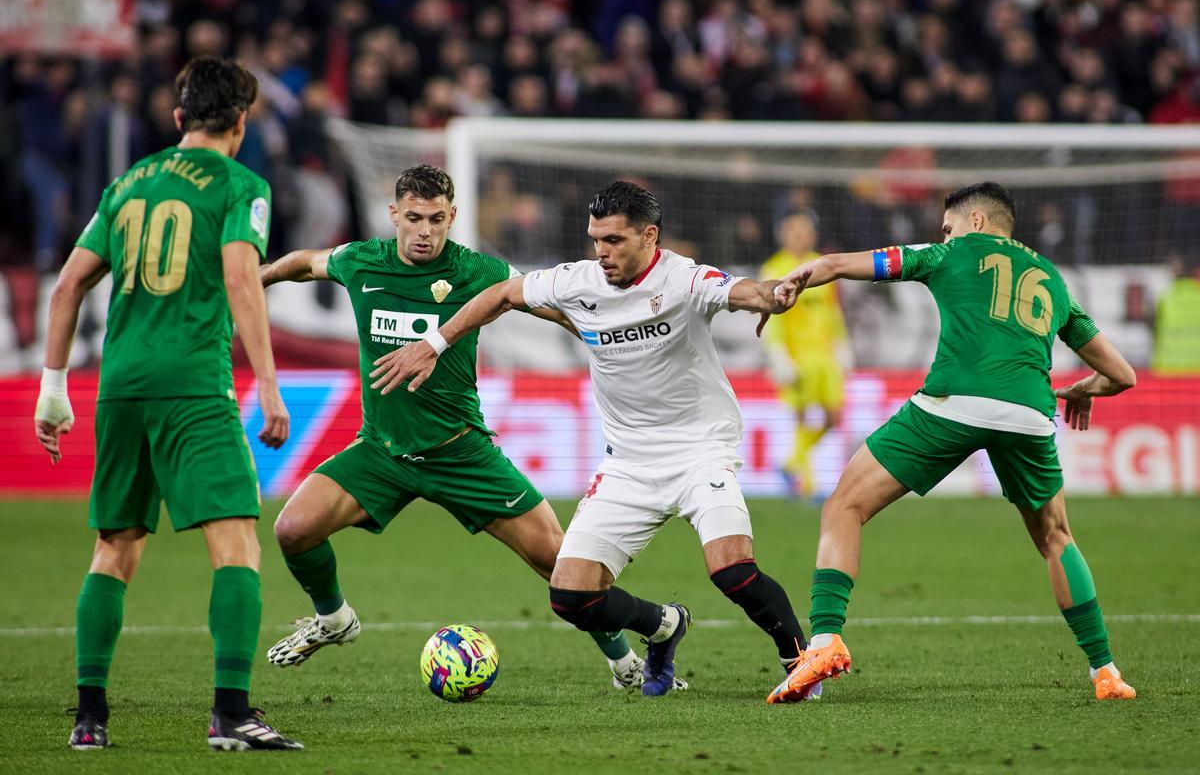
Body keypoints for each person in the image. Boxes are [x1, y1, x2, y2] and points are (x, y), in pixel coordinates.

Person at [370, 181, 817, 697]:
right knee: (570, 596)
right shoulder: (576, 281)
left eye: (614, 241)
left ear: (650, 236)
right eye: (595, 239)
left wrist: (775, 294)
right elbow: (501, 294)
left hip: (700, 453)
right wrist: (435, 343)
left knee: (732, 571)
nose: (601, 253)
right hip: (627, 463)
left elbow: (745, 290)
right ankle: (663, 624)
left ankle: (800, 662)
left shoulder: (685, 277)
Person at [259, 165, 651, 690]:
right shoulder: (360, 261)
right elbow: (305, 264)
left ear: (452, 217)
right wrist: (249, 280)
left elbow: (545, 300)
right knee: (292, 530)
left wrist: (602, 338)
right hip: (382, 452)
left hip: (461, 452)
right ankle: (334, 619)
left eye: (437, 219)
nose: (426, 231)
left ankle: (624, 662)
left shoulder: (476, 270)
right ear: (394, 214)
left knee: (562, 563)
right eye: (415, 218)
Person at [765, 182, 1138, 704]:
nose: (944, 234)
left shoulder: (948, 254)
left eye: (949, 225)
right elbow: (1122, 375)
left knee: (843, 505)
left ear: (977, 222)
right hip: (1030, 413)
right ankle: (1106, 673)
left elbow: (837, 263)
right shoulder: (1053, 279)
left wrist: (793, 281)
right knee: (1057, 538)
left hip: (954, 402)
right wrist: (1082, 387)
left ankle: (824, 641)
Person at [34, 57, 303, 751]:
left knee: (115, 546)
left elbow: (66, 287)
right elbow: (243, 279)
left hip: (119, 385)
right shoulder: (242, 184)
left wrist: (53, 388)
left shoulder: (127, 183)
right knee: (237, 543)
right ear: (240, 123)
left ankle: (89, 720)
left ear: (179, 118)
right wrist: (268, 384)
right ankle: (232, 713)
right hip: (193, 385)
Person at [758, 209, 849, 499]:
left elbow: (833, 312)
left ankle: (790, 463)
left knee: (834, 418)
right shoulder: (774, 269)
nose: (799, 235)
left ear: (812, 233)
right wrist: (778, 356)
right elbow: (772, 319)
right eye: (793, 230)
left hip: (825, 357)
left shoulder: (823, 267)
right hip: (797, 358)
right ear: (783, 234)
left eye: (804, 230)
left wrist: (843, 345)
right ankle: (808, 487)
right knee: (801, 419)